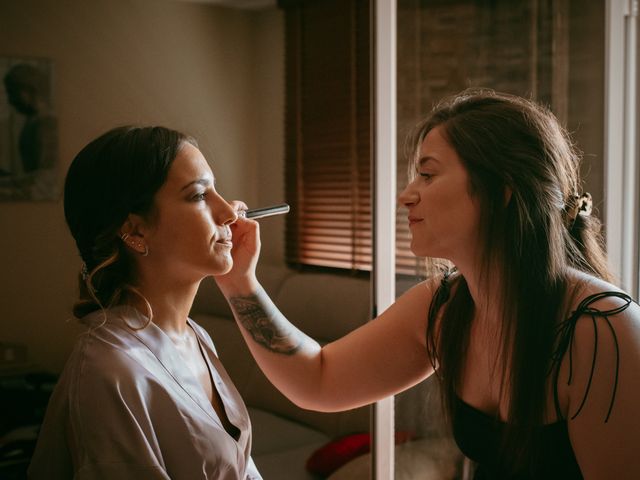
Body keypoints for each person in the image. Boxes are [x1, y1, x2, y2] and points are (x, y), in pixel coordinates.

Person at [215, 90, 640, 479]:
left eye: (428, 175)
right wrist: (239, 280)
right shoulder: (444, 305)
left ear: (504, 191)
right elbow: (319, 379)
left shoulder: (601, 329)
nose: (406, 195)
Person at [28, 126, 261, 479]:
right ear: (136, 231)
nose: (230, 211)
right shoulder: (110, 373)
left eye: (218, 191)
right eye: (199, 195)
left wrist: (243, 281)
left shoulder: (195, 337)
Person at [2, 63, 58, 200]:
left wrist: (8, 183)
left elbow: (46, 175)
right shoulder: (32, 121)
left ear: (27, 90)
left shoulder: (46, 122)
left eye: (12, 92)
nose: (10, 100)